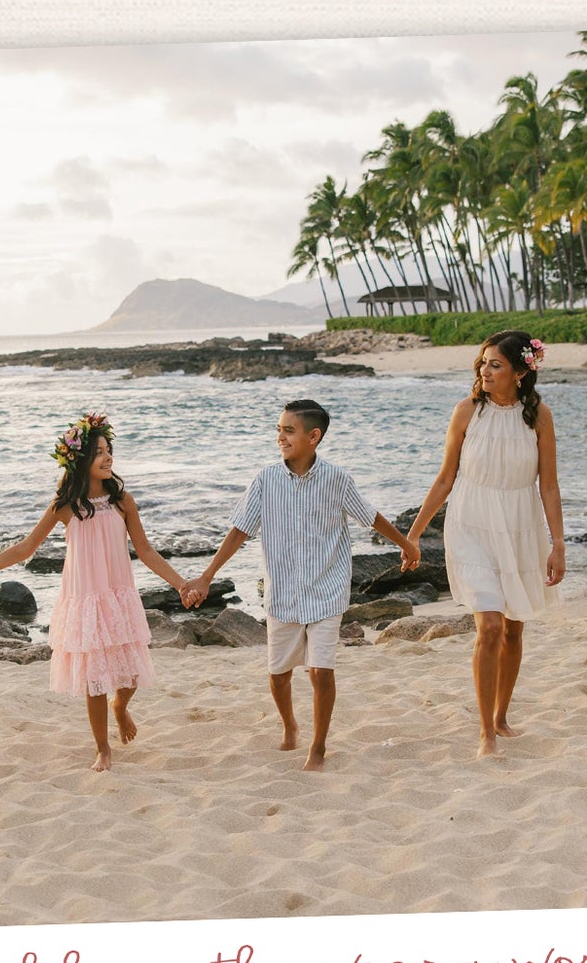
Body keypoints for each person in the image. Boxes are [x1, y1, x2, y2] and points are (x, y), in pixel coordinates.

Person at [187, 398, 417, 772]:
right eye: (278, 429)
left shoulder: (337, 478)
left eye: (288, 430)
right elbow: (239, 530)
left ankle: (319, 746)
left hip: (327, 589)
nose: (280, 436)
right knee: (278, 674)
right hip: (283, 593)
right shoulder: (265, 479)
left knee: (320, 671)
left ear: (314, 436)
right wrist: (207, 575)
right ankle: (290, 724)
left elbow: (370, 516)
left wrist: (405, 542)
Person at [0, 411, 194, 774]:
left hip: (118, 593)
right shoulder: (65, 506)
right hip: (85, 596)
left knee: (130, 672)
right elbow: (25, 548)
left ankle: (121, 707)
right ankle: (102, 748)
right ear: (80, 460)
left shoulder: (122, 500)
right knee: (95, 677)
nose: (107, 457)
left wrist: (180, 583)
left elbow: (145, 551)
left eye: (108, 449)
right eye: (98, 452)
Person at [404, 330, 566, 759]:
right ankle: (485, 733)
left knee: (514, 628)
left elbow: (548, 486)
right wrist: (414, 534)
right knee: (490, 625)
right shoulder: (466, 412)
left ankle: (501, 717)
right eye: (483, 362)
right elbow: (445, 479)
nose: (484, 370)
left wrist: (558, 545)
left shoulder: (539, 417)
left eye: (495, 364)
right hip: (471, 524)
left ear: (519, 371)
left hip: (520, 526)